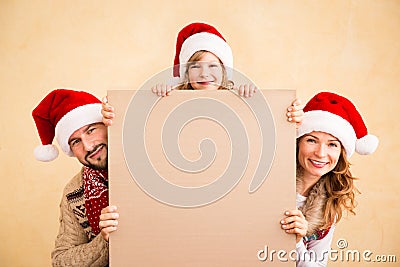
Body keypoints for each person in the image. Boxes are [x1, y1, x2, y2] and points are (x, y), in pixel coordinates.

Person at [102, 22, 304, 125]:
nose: (204, 74)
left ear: (225, 72)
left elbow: (262, 126)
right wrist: (158, 96)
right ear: (186, 73)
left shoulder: (238, 97)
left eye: (213, 67)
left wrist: (254, 98)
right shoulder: (173, 97)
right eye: (195, 67)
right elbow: (143, 121)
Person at [279, 92, 379, 266]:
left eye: (332, 144)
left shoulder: (327, 208)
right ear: (298, 143)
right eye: (311, 140)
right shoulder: (271, 177)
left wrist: (296, 243)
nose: (321, 153)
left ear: (341, 153)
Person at [32, 89, 118, 267]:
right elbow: (61, 260)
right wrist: (104, 240)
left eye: (91, 130)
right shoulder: (74, 193)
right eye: (76, 141)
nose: (88, 146)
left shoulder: (146, 159)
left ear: (107, 125)